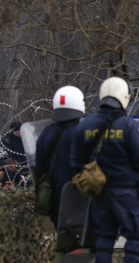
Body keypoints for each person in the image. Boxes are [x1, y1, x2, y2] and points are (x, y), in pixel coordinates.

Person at [71, 77, 139, 263]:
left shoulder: (85, 125)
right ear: (124, 97)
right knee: (135, 236)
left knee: (104, 237)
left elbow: (76, 161)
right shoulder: (128, 125)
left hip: (99, 193)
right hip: (126, 191)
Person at [35, 85, 86, 227]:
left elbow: (40, 166)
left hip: (55, 199)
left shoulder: (45, 133)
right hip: (80, 198)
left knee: (64, 238)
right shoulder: (81, 134)